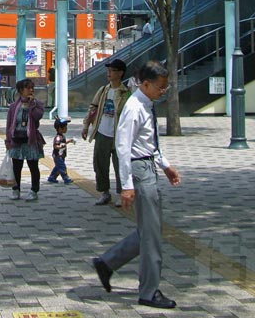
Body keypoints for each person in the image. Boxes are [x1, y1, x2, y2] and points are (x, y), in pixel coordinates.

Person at [92, 61, 181, 310]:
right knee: (151, 235)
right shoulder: (133, 107)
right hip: (139, 170)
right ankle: (149, 292)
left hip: (148, 166)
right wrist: (127, 185)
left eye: (165, 87)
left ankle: (107, 262)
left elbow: (149, 143)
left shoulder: (146, 104)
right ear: (146, 84)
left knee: (150, 230)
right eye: (160, 87)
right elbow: (123, 147)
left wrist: (165, 165)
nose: (163, 91)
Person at [82, 58, 131, 205]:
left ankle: (121, 193)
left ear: (120, 73)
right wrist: (86, 125)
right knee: (100, 164)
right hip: (102, 132)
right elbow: (93, 108)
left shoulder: (126, 93)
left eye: (112, 70)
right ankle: (104, 192)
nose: (109, 73)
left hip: (118, 135)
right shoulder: (104, 90)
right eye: (108, 70)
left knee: (120, 165)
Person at [4, 78, 45, 201]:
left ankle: (34, 190)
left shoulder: (37, 104)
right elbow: (9, 124)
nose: (31, 90)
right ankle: (15, 189)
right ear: (21, 90)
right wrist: (8, 140)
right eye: (28, 88)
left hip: (30, 140)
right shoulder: (14, 106)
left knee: (33, 166)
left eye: (32, 88)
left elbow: (38, 116)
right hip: (17, 139)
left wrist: (32, 105)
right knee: (16, 167)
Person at [47, 118, 75, 184]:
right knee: (62, 167)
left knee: (58, 167)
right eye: (65, 128)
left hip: (61, 155)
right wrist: (60, 147)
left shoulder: (62, 136)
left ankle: (52, 177)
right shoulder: (58, 137)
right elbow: (55, 146)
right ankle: (66, 178)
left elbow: (63, 143)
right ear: (60, 128)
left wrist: (69, 141)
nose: (66, 129)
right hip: (58, 156)